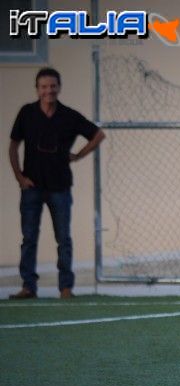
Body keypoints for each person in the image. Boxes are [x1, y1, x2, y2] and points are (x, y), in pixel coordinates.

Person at [7, 67, 105, 300]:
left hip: (60, 186)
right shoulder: (27, 113)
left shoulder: (69, 116)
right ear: (37, 89)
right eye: (44, 87)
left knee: (63, 239)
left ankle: (66, 288)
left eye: (52, 86)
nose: (48, 91)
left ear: (59, 88)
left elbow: (98, 135)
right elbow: (13, 146)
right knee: (29, 238)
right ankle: (28, 286)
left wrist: (78, 155)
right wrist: (19, 177)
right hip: (31, 187)